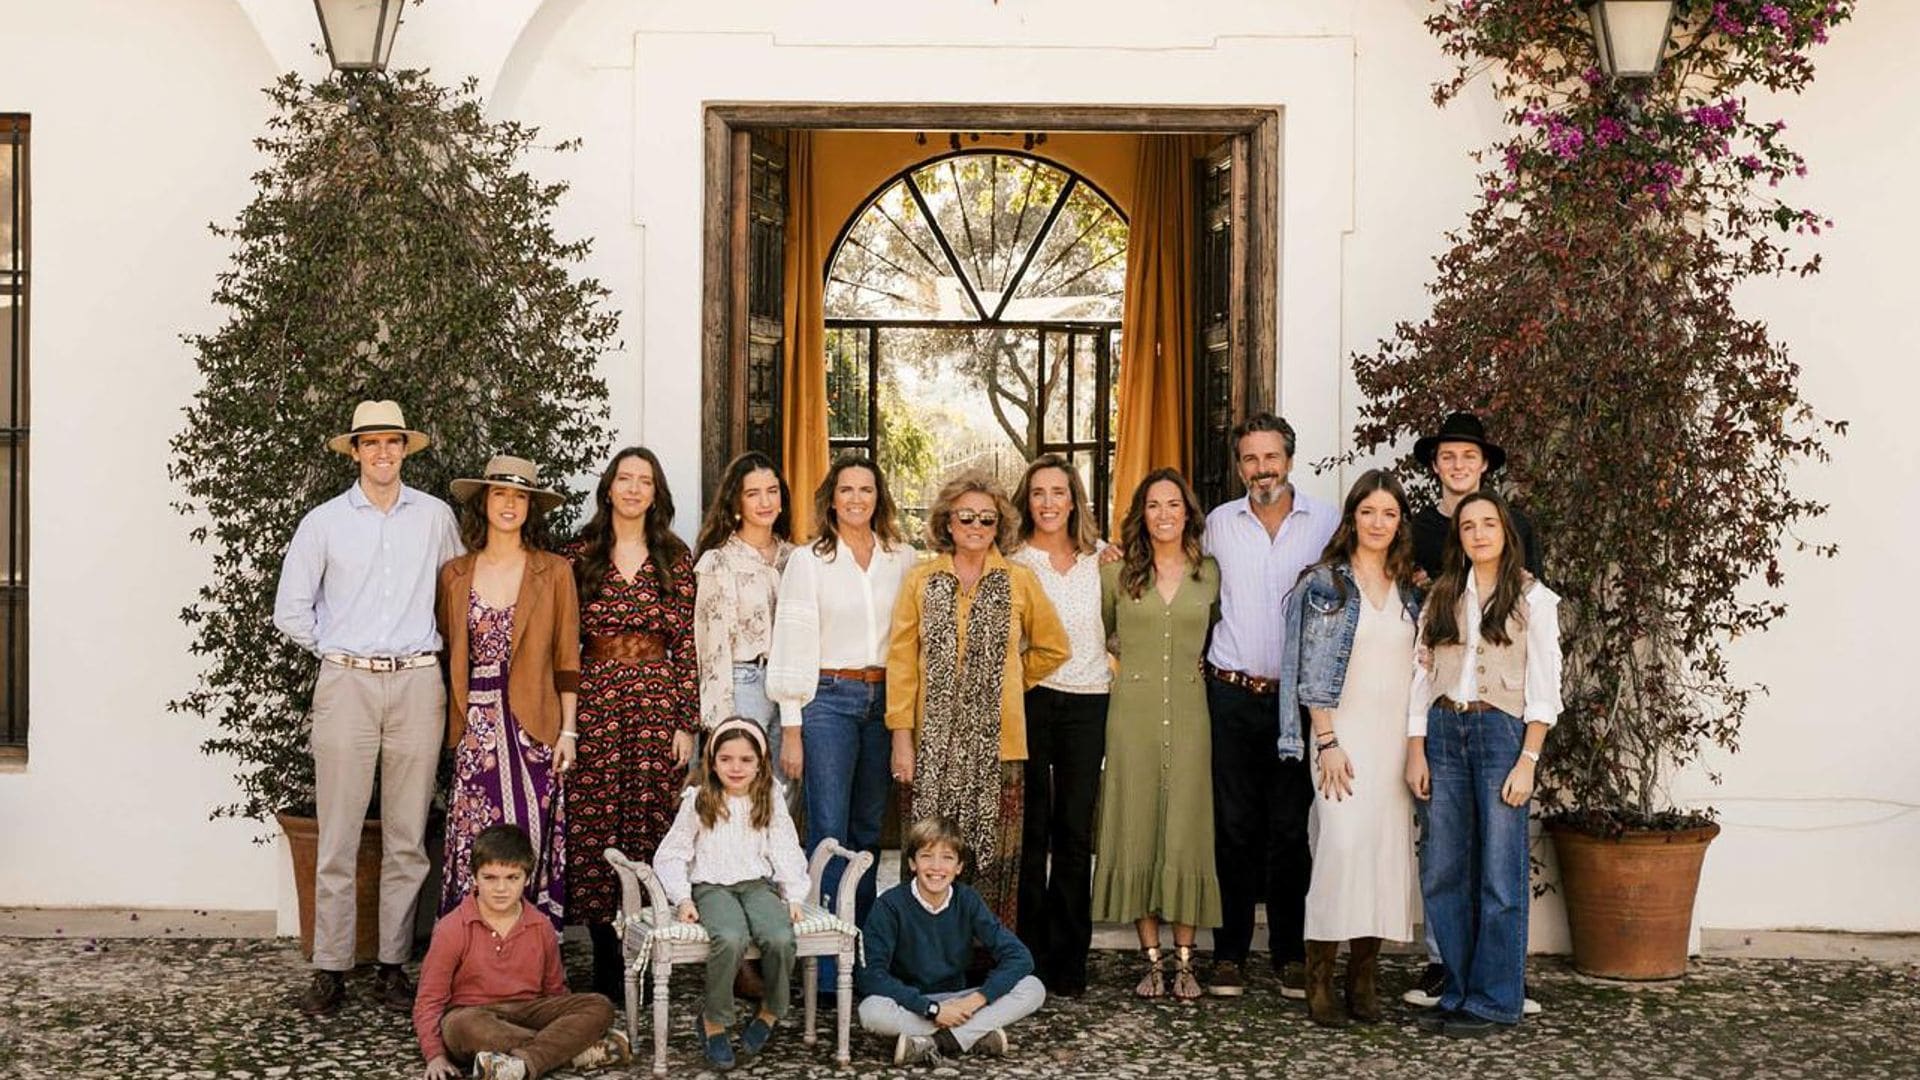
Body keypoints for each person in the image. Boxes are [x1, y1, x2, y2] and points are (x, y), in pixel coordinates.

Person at [273, 399, 463, 1016]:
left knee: (409, 835)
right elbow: (291, 609)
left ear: (406, 449)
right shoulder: (324, 523)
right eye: (370, 444)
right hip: (347, 683)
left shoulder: (434, 518)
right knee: (338, 832)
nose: (382, 453)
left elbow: (453, 598)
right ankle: (330, 969)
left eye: (392, 442)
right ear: (354, 451)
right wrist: (339, 648)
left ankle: (390, 966)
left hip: (415, 682)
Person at [1406, 490, 1562, 1038]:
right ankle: (1457, 988)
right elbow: (1421, 676)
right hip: (1445, 730)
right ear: (1459, 536)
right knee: (1444, 868)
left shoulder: (1534, 599)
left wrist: (1529, 758)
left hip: (1501, 733)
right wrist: (1415, 747)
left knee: (1499, 871)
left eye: (1488, 523)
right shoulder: (1443, 596)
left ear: (1505, 532)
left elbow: (1546, 684)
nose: (1478, 533)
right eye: (1468, 525)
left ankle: (1496, 999)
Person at [886, 471, 1071, 928]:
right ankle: (926, 956)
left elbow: (1054, 647)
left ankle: (986, 965)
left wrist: (1006, 681)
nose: (975, 527)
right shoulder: (920, 580)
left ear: (999, 526)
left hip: (999, 748)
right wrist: (901, 739)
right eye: (965, 517)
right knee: (930, 855)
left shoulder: (1018, 581)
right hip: (932, 747)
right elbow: (903, 662)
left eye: (986, 520)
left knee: (991, 859)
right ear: (947, 522)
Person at [1199, 413, 1339, 998]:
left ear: (1290, 458)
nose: (1262, 470)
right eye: (1251, 460)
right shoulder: (1217, 526)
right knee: (1232, 827)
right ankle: (1228, 953)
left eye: (1271, 457)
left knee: (1288, 829)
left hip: (1295, 701)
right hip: (1230, 692)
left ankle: (1287, 954)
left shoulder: (1327, 523)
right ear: (1240, 467)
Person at [1276, 470, 1422, 1027]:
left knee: (1384, 856)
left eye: (1389, 514)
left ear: (1399, 522)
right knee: (1340, 850)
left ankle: (1363, 979)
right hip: (1341, 736)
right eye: (1368, 512)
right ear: (1351, 518)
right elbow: (1310, 672)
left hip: (1392, 740)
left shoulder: (1412, 591)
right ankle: (1318, 979)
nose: (1378, 523)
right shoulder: (1326, 585)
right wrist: (1327, 740)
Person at [561, 447, 699, 1004]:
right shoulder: (579, 553)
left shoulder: (674, 555)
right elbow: (562, 640)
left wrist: (687, 720)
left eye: (645, 481)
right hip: (595, 702)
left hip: (654, 703)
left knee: (648, 821)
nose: (635, 489)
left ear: (656, 492)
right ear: (609, 487)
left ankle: (642, 956)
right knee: (594, 825)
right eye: (625, 479)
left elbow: (686, 641)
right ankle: (601, 956)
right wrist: (563, 719)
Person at [767, 457, 916, 937]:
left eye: (866, 489)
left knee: (869, 830)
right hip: (828, 700)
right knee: (829, 830)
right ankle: (825, 955)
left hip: (884, 701)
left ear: (880, 497)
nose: (856, 498)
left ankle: (862, 943)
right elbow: (790, 644)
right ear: (831, 498)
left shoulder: (903, 558)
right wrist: (792, 728)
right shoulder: (809, 562)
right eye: (846, 489)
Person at [1091, 468, 1222, 1002]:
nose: (1164, 514)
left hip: (1192, 715)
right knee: (1139, 824)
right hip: (1133, 716)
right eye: (1153, 505)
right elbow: (1098, 634)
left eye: (1173, 504)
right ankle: (1152, 962)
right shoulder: (1116, 575)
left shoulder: (1210, 572)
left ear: (1188, 512)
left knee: (1187, 829)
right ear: (1140, 515)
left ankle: (1187, 964)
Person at [436, 456, 579, 930]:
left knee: (531, 833)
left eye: (520, 496)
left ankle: (533, 949)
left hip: (534, 722)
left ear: (530, 507)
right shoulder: (455, 574)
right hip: (476, 723)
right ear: (484, 502)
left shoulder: (554, 572)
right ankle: (471, 950)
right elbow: (446, 654)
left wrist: (568, 731)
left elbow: (567, 659)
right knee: (475, 833)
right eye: (500, 494)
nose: (509, 504)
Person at [1006, 455, 1110, 997]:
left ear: (1075, 500)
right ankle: (1027, 954)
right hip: (1033, 698)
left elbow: (1116, 629)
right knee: (1032, 829)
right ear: (1028, 501)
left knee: (1074, 832)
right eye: (1039, 493)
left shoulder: (1102, 560)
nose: (1048, 503)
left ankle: (1070, 960)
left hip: (1091, 700)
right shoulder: (1015, 562)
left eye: (1059, 492)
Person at [652, 717, 810, 1070]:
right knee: (729, 936)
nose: (735, 768)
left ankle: (771, 1009)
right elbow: (672, 853)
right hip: (712, 887)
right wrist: (683, 898)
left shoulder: (769, 797)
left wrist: (794, 895)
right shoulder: (700, 799)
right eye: (726, 759)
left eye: (745, 760)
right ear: (712, 762)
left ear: (760, 763)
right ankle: (714, 1018)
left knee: (780, 937)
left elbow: (785, 848)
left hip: (757, 885)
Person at [414, 824, 628, 1080]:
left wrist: (567, 1017)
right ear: (474, 877)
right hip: (474, 1015)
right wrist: (435, 1055)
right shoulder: (453, 928)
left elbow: (555, 992)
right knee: (463, 1026)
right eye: (490, 877)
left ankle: (521, 1064)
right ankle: (572, 1052)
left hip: (529, 1011)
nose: (501, 888)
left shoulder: (540, 925)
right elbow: (429, 1000)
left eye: (512, 878)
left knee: (599, 1005)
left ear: (526, 878)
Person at [856, 816, 1046, 1066]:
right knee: (871, 1011)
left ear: (958, 867)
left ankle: (935, 1043)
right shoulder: (889, 905)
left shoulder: (967, 900)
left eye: (947, 858)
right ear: (912, 863)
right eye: (926, 856)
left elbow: (1020, 956)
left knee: (1032, 987)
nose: (936, 867)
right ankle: (974, 1034)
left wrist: (975, 1000)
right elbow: (871, 976)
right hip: (913, 1003)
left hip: (959, 1000)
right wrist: (932, 1010)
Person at [693, 451, 797, 805]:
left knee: (782, 796)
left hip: (789, 690)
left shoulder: (796, 559)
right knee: (738, 798)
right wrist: (718, 721)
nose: (765, 501)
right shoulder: (719, 560)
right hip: (742, 684)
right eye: (753, 493)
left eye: (772, 491)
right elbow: (711, 647)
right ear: (736, 501)